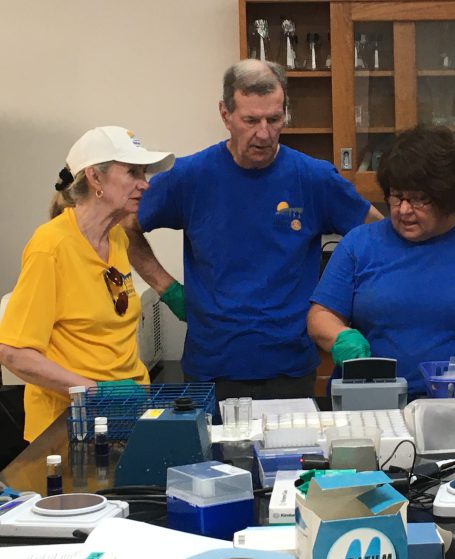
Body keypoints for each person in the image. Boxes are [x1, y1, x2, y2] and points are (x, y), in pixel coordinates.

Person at [123, 59, 382, 402]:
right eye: (250, 120)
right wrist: (168, 290)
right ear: (225, 114)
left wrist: (338, 305)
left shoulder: (314, 178)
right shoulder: (190, 177)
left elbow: (377, 235)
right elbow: (126, 226)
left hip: (290, 367)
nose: (264, 133)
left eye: (274, 120)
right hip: (212, 367)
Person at [307, 125, 455, 396]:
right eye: (397, 196)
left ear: (447, 198)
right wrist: (341, 338)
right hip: (376, 404)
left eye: (420, 199)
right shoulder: (359, 245)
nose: (404, 209)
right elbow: (320, 315)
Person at [0, 126, 174, 442]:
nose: (144, 185)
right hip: (68, 430)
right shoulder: (50, 247)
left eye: (144, 173)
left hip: (123, 415)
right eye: (133, 172)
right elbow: (14, 353)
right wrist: (94, 391)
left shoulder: (117, 238)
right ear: (95, 178)